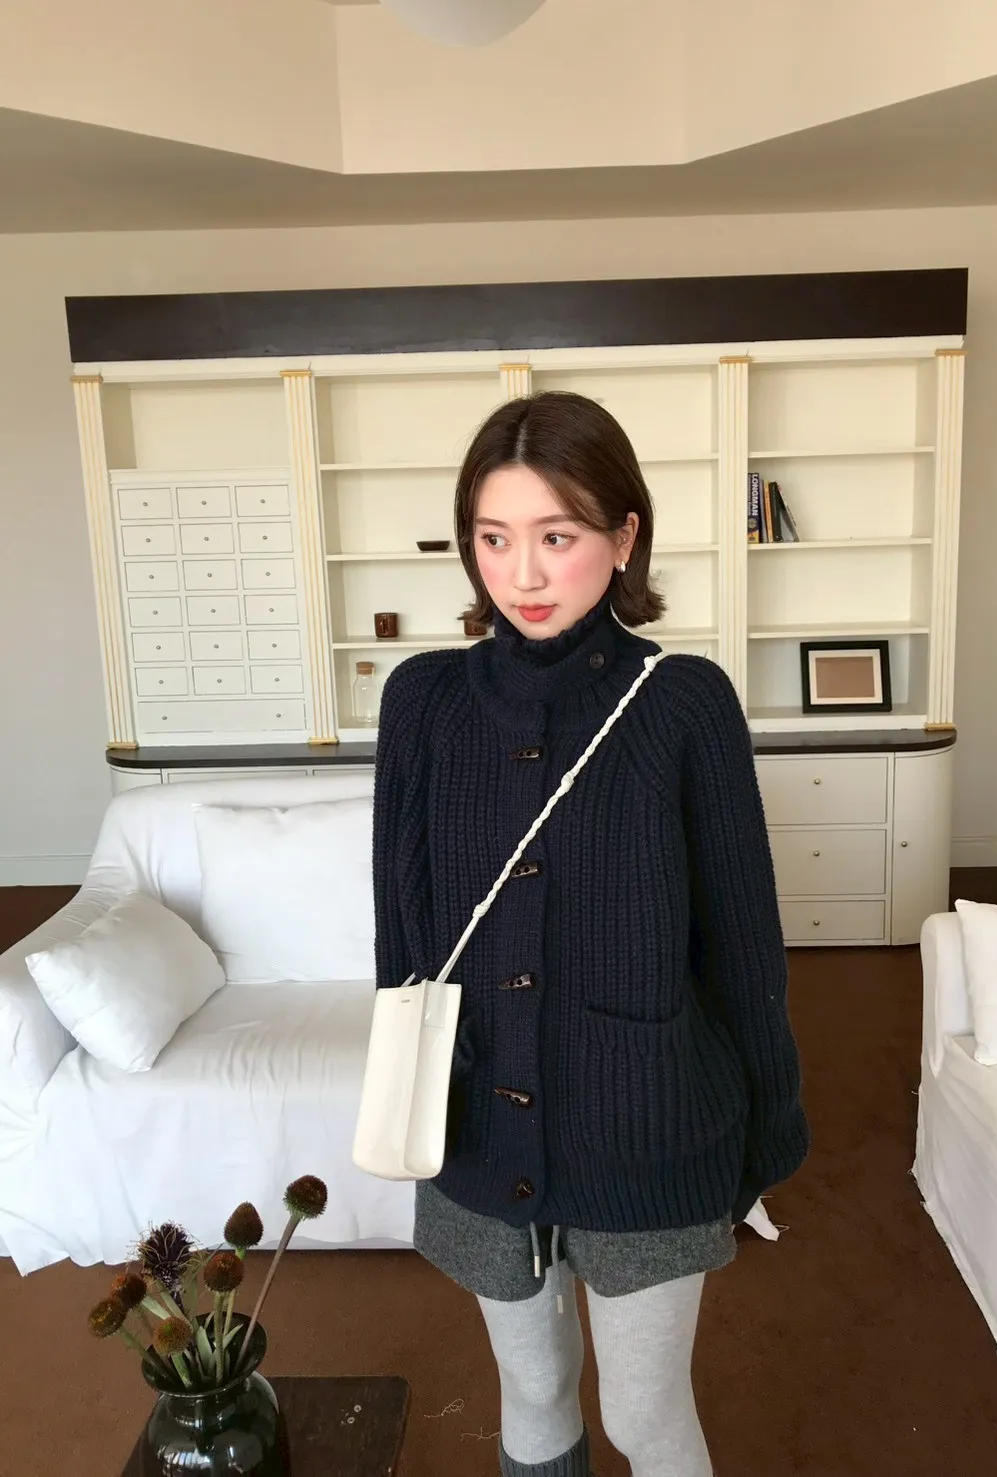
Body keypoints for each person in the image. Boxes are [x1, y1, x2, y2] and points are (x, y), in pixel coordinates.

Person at [372, 390, 809, 1477]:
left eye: (556, 536)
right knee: (530, 1387)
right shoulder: (421, 701)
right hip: (478, 1123)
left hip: (648, 1122)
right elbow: (401, 927)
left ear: (623, 538)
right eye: (493, 537)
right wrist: (414, 1082)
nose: (520, 573)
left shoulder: (683, 704)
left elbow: (744, 947)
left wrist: (766, 1132)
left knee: (645, 1418)